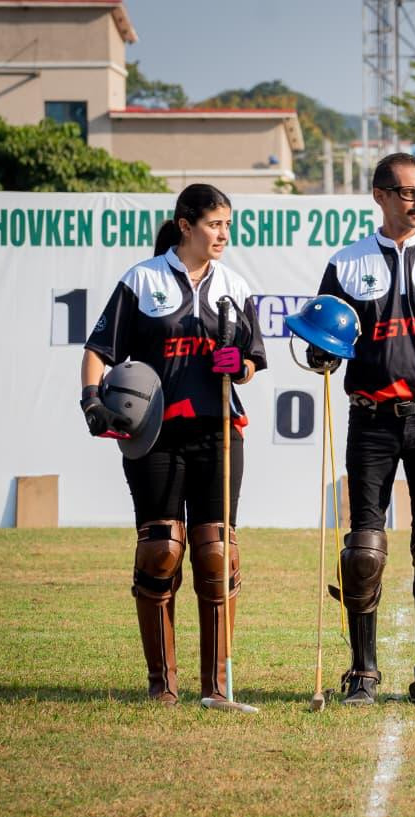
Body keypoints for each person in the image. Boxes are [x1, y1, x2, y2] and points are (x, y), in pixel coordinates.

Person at [80, 183, 267, 705]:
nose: (222, 234)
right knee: (161, 550)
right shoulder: (141, 279)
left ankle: (217, 687)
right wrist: (91, 400)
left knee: (216, 552)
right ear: (185, 225)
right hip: (156, 435)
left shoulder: (234, 284)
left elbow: (253, 359)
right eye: (214, 224)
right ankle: (162, 684)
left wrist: (241, 366)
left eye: (227, 225)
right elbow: (98, 350)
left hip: (218, 430)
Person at [310, 152, 415, 709]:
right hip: (371, 420)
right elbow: (327, 335)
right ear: (380, 196)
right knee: (363, 548)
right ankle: (362, 673)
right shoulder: (347, 263)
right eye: (409, 193)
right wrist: (320, 352)